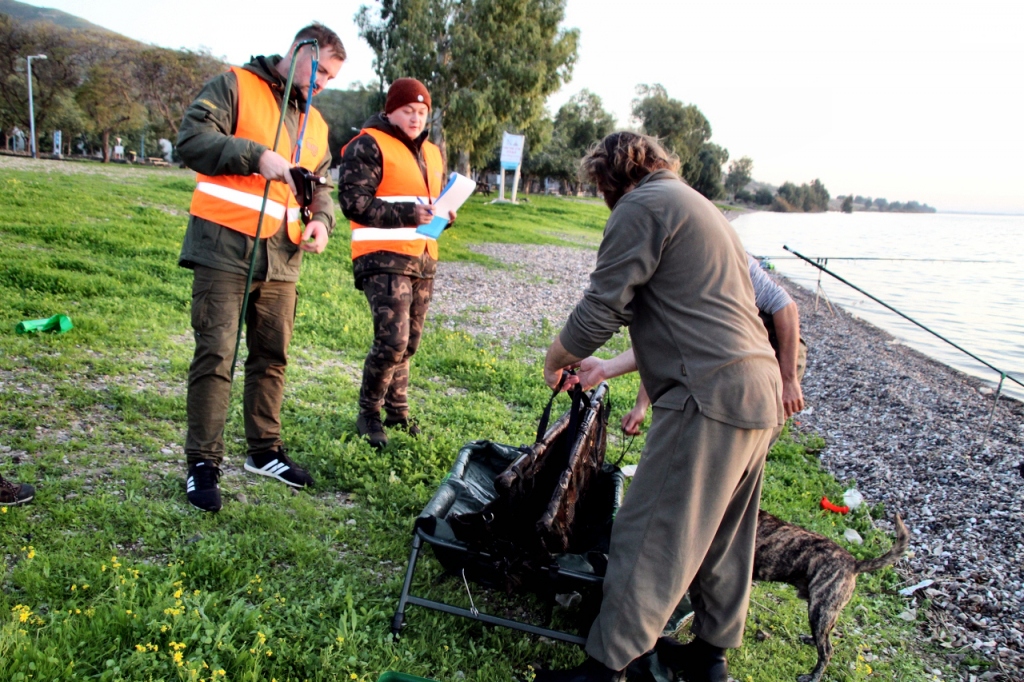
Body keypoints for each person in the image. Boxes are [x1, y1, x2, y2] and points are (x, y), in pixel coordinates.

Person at [539, 133, 783, 682]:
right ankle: (708, 656)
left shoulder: (641, 204)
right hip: (758, 389)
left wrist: (557, 358)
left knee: (651, 533)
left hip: (708, 398)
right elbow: (690, 319)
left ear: (610, 177)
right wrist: (611, 367)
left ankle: (607, 668)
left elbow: (602, 307)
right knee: (723, 534)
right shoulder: (701, 207)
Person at [176, 23, 345, 512]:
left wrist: (324, 223)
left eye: (332, 78)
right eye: (321, 71)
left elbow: (323, 183)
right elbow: (192, 140)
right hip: (225, 247)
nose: (323, 84)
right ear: (297, 51)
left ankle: (264, 451)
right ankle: (202, 464)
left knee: (271, 356)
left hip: (283, 257)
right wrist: (256, 157)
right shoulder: (234, 85)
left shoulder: (316, 122)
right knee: (217, 355)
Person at [338, 78, 455, 449]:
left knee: (410, 343)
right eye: (408, 111)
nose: (416, 118)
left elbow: (430, 203)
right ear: (390, 110)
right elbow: (354, 203)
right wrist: (410, 213)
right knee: (392, 340)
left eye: (422, 113)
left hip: (423, 257)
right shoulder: (368, 144)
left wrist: (444, 215)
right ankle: (368, 413)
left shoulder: (433, 153)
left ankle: (398, 412)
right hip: (382, 256)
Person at [586, 254, 806, 437]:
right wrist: (638, 403)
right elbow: (664, 344)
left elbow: (785, 306)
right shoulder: (664, 280)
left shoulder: (721, 257)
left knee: (747, 442)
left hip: (777, 351)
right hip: (727, 352)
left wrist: (789, 380)